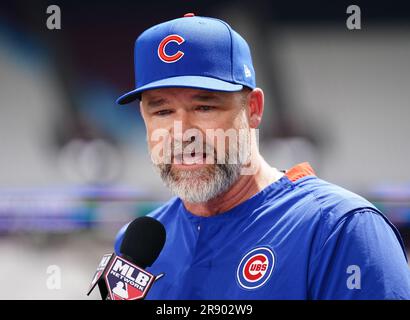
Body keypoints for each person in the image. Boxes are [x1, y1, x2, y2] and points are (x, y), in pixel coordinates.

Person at [114, 13, 410, 299]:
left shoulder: (341, 229)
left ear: (253, 109)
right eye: (162, 111)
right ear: (144, 117)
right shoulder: (133, 248)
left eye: (205, 107)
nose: (181, 132)